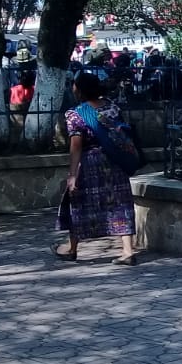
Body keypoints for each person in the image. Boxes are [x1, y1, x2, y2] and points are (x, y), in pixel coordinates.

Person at [53, 72, 137, 265]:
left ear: (79, 90)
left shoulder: (75, 114)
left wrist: (72, 175)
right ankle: (128, 251)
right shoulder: (112, 107)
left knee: (78, 203)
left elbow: (76, 146)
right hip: (115, 161)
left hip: (90, 164)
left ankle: (72, 248)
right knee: (121, 203)